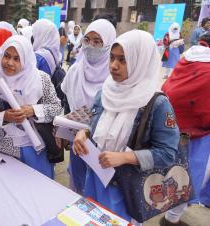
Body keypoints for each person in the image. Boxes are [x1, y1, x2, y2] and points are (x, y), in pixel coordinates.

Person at [73, 30, 180, 225]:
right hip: (97, 176)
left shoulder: (156, 103)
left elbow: (168, 153)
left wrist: (124, 157)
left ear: (141, 62)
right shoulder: (106, 90)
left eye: (123, 60)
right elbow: (95, 125)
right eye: (112, 58)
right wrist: (83, 133)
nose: (113, 66)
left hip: (127, 187)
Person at [0, 36, 62, 179]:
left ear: (26, 59)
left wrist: (33, 110)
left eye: (17, 59)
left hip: (38, 149)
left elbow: (56, 107)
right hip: (7, 150)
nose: (9, 63)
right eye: (7, 56)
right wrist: (4, 117)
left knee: (40, 189)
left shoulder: (41, 79)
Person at [61, 19, 116, 194]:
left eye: (97, 41)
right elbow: (68, 104)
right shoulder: (75, 71)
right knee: (77, 184)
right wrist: (64, 129)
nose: (91, 45)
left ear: (108, 44)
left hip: (106, 148)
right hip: (78, 143)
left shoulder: (115, 77)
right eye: (87, 40)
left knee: (99, 190)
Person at [161, 33, 210, 225]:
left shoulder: (186, 59)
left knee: (174, 173)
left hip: (171, 125)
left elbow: (169, 87)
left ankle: (171, 212)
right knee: (190, 177)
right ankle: (171, 219)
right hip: (198, 134)